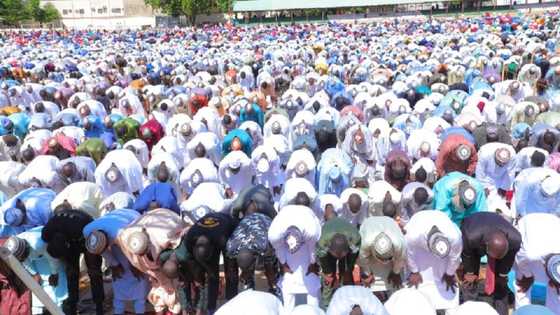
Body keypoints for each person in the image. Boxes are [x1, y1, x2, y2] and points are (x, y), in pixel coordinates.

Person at [83, 208, 149, 315]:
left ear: (108, 241)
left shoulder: (120, 233)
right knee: (119, 277)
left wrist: (136, 265)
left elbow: (133, 249)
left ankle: (140, 309)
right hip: (115, 230)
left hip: (132, 227)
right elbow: (101, 250)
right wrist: (114, 264)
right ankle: (118, 310)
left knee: (138, 278)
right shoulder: (87, 231)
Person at [40, 208, 105, 315]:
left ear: (67, 245)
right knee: (71, 273)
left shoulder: (84, 230)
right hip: (69, 235)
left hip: (87, 232)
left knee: (94, 271)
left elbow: (93, 246)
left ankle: (99, 306)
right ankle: (72, 306)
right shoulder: (46, 233)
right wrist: (54, 272)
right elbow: (50, 253)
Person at [460, 212, 522, 315]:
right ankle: (469, 307)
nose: (493, 259)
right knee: (470, 280)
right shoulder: (470, 236)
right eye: (492, 256)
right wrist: (470, 272)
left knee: (501, 282)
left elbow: (509, 259)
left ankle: (501, 311)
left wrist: (502, 275)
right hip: (474, 234)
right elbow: (467, 254)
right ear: (486, 246)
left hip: (495, 239)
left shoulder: (515, 240)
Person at [405, 210, 463, 312]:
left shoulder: (454, 237)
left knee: (442, 268)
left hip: (441, 218)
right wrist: (414, 271)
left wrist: (449, 274)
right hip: (419, 219)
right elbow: (408, 252)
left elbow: (455, 257)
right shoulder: (414, 235)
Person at [268, 205, 322, 312]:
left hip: (308, 218)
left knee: (310, 280)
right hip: (285, 216)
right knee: (289, 281)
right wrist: (284, 264)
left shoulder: (311, 231)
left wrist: (312, 264)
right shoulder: (275, 234)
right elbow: (278, 249)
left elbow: (312, 250)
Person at [5, 226, 68, 315]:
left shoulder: (39, 243)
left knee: (58, 283)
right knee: (38, 285)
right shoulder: (16, 248)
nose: (22, 258)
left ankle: (59, 306)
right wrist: (34, 273)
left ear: (26, 249)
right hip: (36, 257)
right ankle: (40, 307)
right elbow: (24, 261)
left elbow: (53, 259)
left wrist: (54, 274)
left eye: (23, 256)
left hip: (50, 252)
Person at [184, 212, 238, 314]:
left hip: (229, 226)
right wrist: (206, 271)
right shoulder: (190, 238)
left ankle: (231, 303)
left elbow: (231, 264)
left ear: (212, 249)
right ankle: (211, 309)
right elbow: (191, 262)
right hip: (212, 230)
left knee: (231, 273)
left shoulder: (223, 239)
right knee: (212, 275)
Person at [514, 213, 560, 313]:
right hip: (528, 231)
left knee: (555, 294)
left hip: (552, 225)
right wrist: (527, 275)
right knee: (522, 288)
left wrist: (557, 285)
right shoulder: (531, 253)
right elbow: (519, 257)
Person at [225, 212, 278, 293]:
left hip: (264, 221)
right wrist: (242, 277)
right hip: (247, 222)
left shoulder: (264, 245)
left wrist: (273, 285)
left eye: (249, 269)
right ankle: (249, 285)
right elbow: (231, 269)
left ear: (255, 259)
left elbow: (269, 268)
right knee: (246, 277)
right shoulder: (231, 247)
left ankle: (274, 290)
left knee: (273, 269)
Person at [316, 217, 361, 309]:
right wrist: (327, 273)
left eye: (340, 256)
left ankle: (349, 301)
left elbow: (353, 256)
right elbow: (322, 257)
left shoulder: (355, 239)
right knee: (328, 276)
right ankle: (326, 304)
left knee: (346, 273)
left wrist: (348, 269)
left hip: (348, 246)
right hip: (328, 244)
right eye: (337, 256)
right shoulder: (322, 242)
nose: (338, 258)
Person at [357, 216, 406, 301]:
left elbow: (400, 259)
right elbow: (362, 260)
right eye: (381, 259)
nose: (385, 262)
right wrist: (367, 274)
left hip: (390, 222)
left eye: (388, 258)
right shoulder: (366, 242)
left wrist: (396, 272)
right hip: (369, 224)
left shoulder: (399, 244)